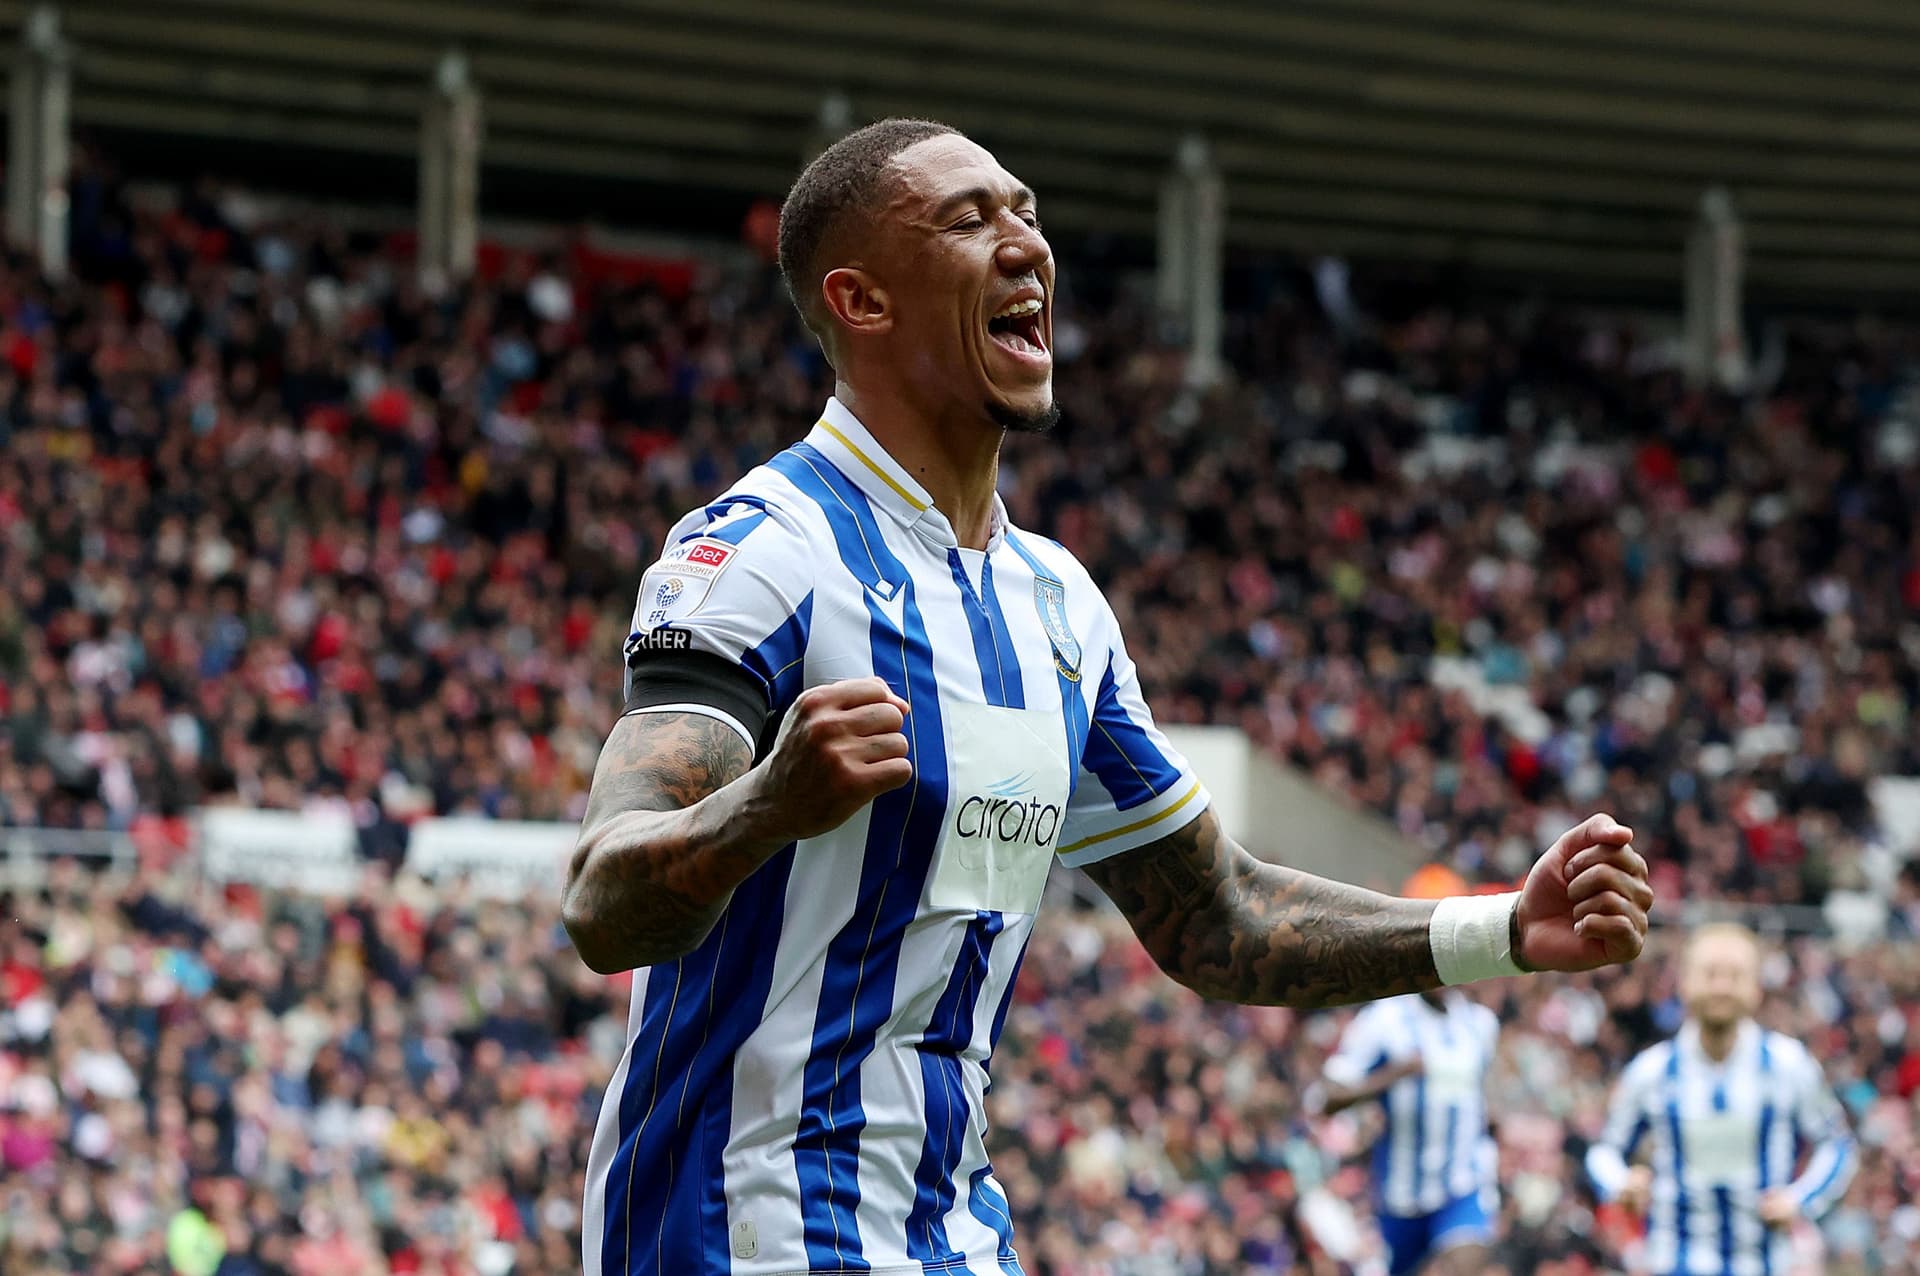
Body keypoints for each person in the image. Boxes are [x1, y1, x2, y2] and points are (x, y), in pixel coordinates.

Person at [562, 117, 1655, 1276]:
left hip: (951, 1233)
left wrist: (1503, 933)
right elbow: (601, 901)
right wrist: (765, 806)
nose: (1026, 241)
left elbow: (1215, 915)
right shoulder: (761, 551)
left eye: (1027, 211)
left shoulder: (1058, 605)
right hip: (735, 1226)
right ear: (861, 300)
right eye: (970, 217)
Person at [1586, 924, 1857, 1276]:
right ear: (1684, 983)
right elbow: (1604, 1151)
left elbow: (1837, 1146)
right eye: (1710, 974)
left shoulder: (1790, 1065)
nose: (1722, 986)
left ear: (1757, 987)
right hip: (1672, 1261)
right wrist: (1621, 1184)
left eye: (1735, 975)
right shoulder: (1652, 1072)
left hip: (1764, 1263)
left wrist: (1799, 1200)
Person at [1319, 990, 1501, 1275]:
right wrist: (1394, 1074)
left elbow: (1482, 1096)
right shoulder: (1383, 1019)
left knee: (1466, 1265)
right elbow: (1327, 1096)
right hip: (1400, 1194)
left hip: (1461, 1183)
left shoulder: (1479, 1022)